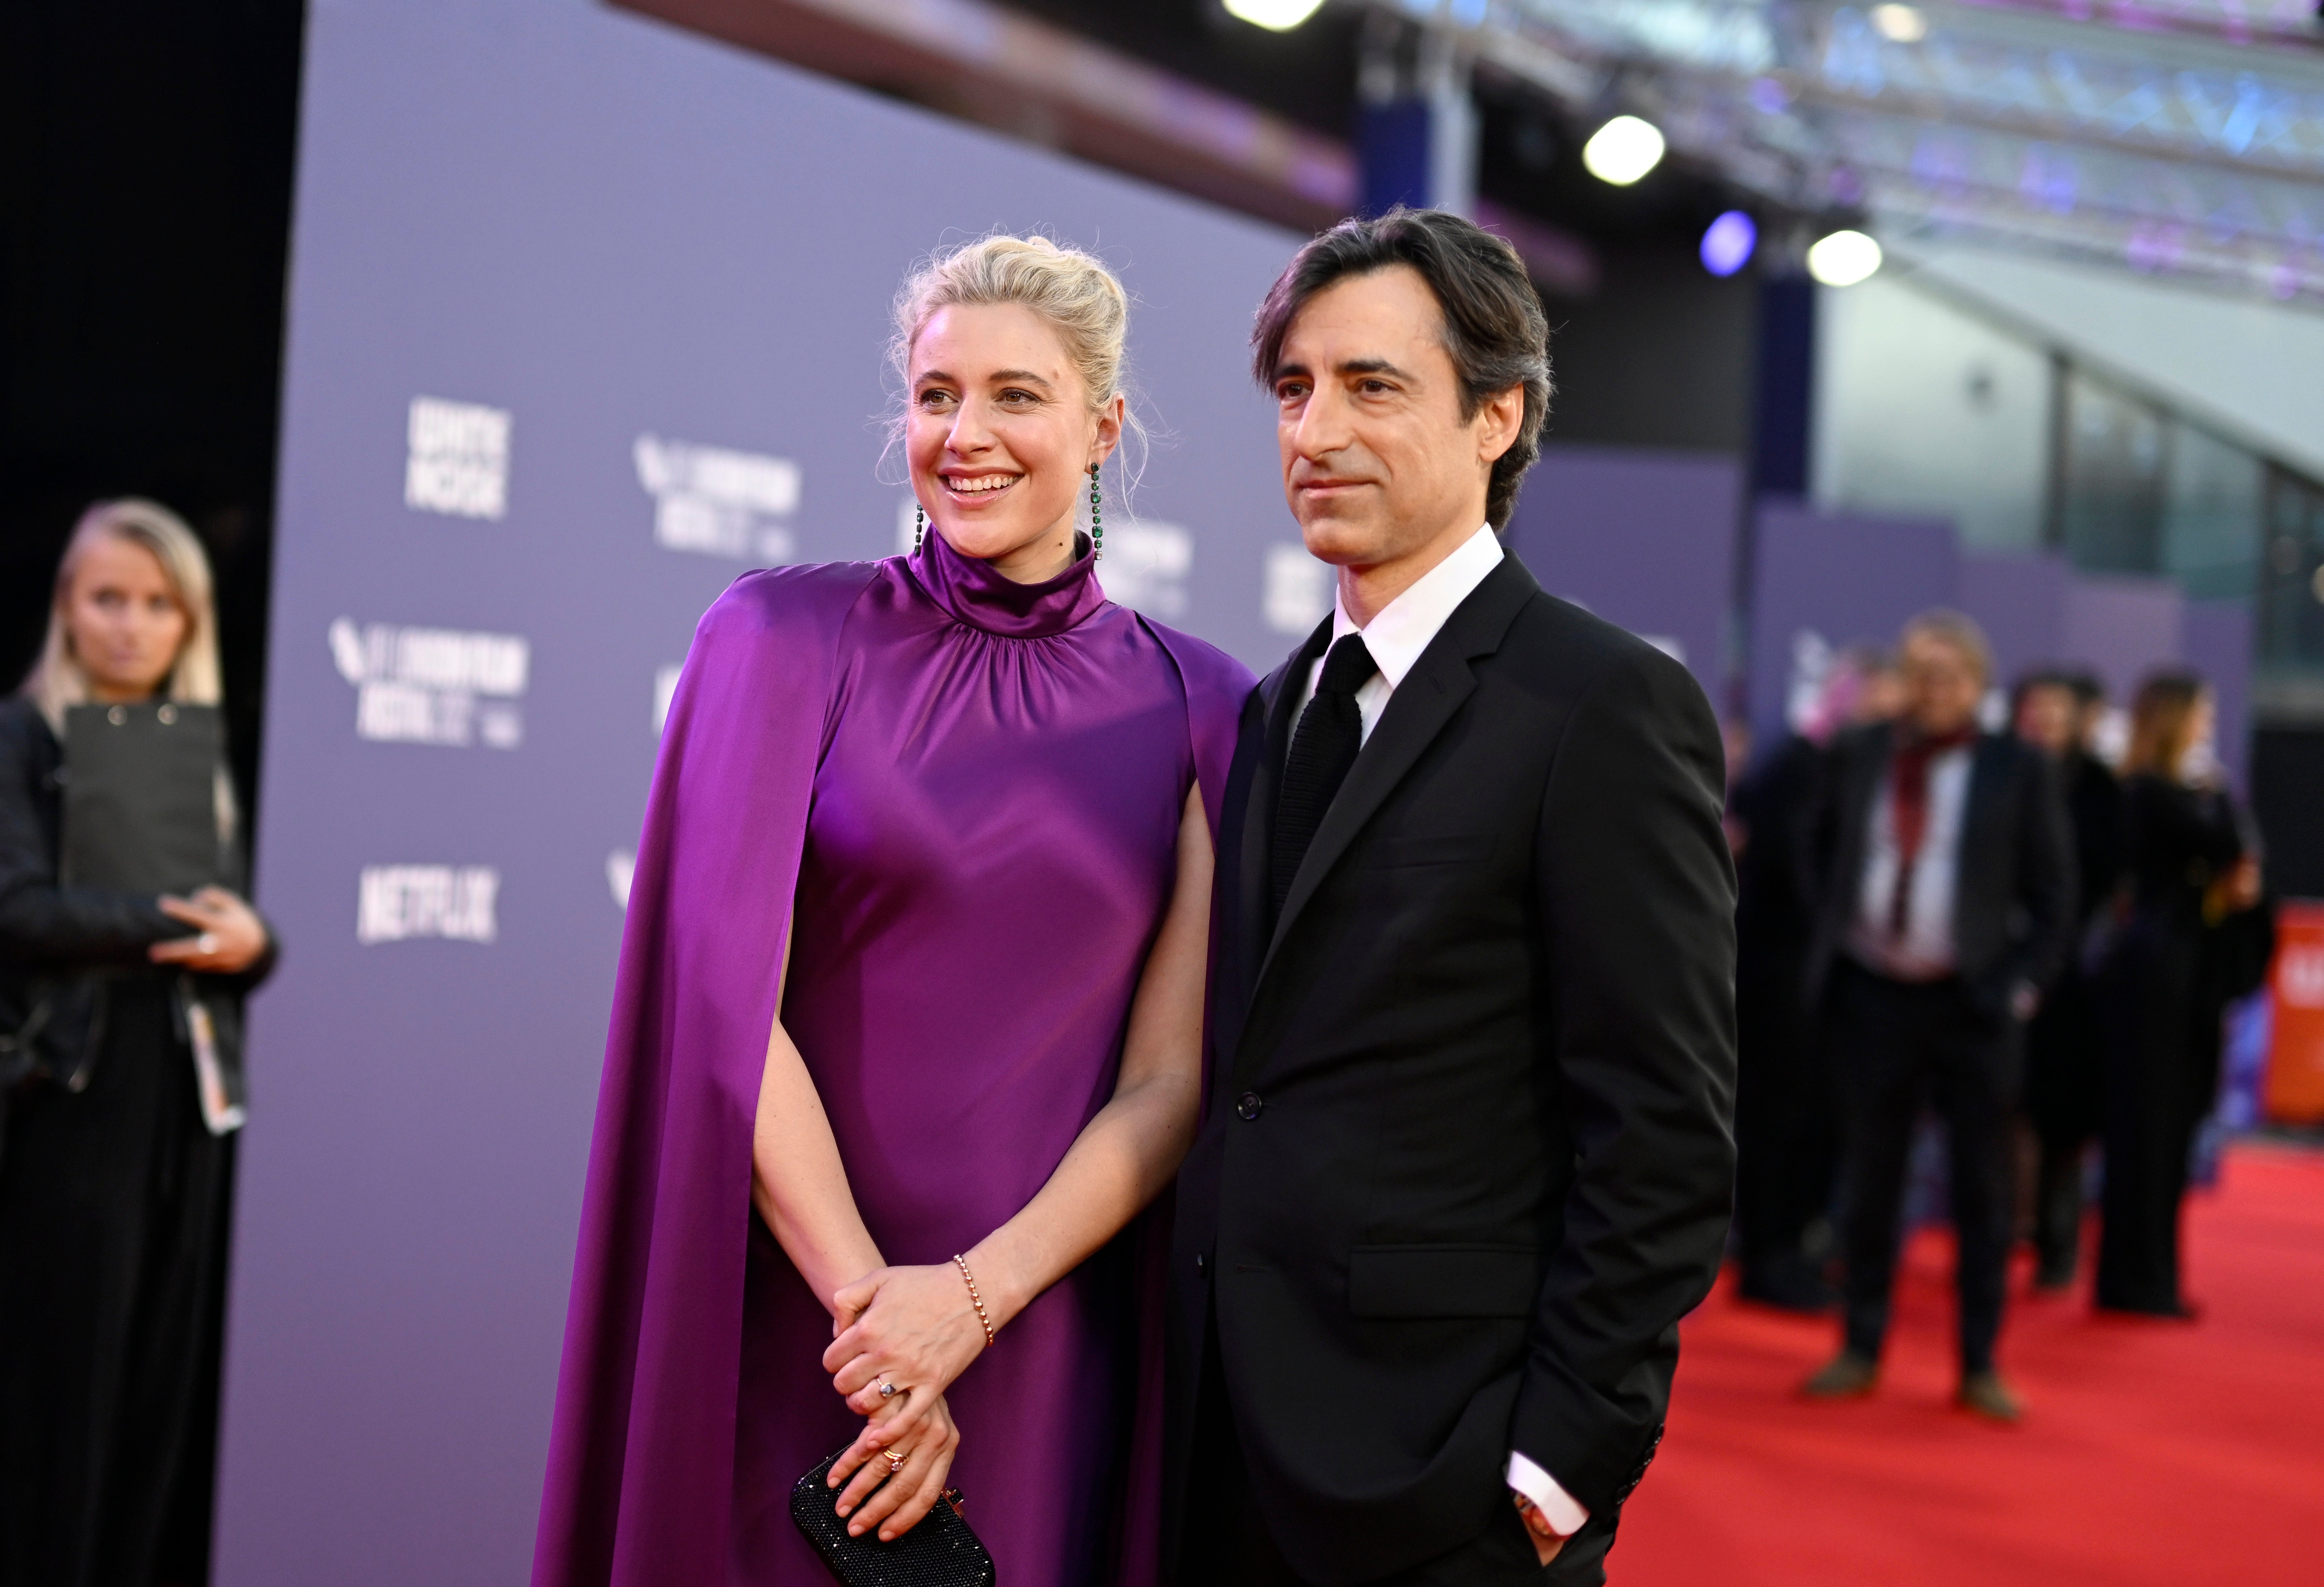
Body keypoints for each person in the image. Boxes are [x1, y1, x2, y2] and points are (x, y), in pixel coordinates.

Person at [531, 236, 1253, 1587]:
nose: (963, 435)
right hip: (807, 1318)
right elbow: (723, 1009)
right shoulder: (777, 640)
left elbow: (1168, 1081)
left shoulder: (1203, 707)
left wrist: (971, 1305)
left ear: (1101, 425)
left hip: (1040, 1332)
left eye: (1014, 397)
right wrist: (881, 1326)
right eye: (933, 396)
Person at [1165, 208, 1736, 1587]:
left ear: (1497, 417)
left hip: (1447, 1490)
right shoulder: (1269, 708)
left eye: (1371, 386)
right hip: (1219, 1453)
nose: (1312, 431)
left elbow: (1661, 1130)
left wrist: (1551, 1470)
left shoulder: (1598, 704)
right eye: (1293, 390)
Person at [0, 499, 276, 1587]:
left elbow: (237, 934)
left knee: (158, 1395)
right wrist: (181, 925)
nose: (130, 626)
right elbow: (15, 907)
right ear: (66, 608)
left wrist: (249, 944)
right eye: (107, 598)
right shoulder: (24, 735)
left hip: (189, 1104)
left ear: (189, 623)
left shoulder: (190, 753)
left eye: (157, 605)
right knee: (62, 1399)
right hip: (72, 1098)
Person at [1800, 611, 2072, 1423]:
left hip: (1975, 1002)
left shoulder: (2017, 767)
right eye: (1922, 674)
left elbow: (2056, 895)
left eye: (1951, 676)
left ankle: (1980, 1361)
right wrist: (1838, 942)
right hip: (1875, 993)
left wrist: (2020, 988)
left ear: (1979, 685)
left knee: (1982, 1191)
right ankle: (1859, 1346)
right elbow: (1813, 847)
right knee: (1871, 1179)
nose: (1935, 690)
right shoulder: (1863, 751)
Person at [2094, 671, 2270, 1318]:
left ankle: (2153, 1276)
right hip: (2152, 977)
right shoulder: (2148, 792)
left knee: (2171, 1131)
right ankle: (2132, 1280)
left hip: (2189, 974)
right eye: (2200, 713)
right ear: (2174, 718)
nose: (2207, 724)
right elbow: (2230, 845)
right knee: (2145, 1128)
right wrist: (2219, 802)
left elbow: (2237, 855)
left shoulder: (2186, 792)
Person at [1730, 646, 1899, 1312]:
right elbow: (1791, 876)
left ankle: (1781, 1249)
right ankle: (1770, 1260)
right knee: (1779, 1119)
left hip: (1805, 979)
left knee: (1802, 1121)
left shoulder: (1829, 767)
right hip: (1782, 982)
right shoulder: (1803, 765)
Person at [2011, 668, 2121, 1291]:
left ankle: (2057, 1245)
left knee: (2063, 1120)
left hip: (2074, 980)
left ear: (2081, 719)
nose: (2044, 721)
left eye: (2056, 711)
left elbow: (2105, 882)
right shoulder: (1995, 772)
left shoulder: (2102, 788)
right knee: (1999, 1110)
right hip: (2000, 965)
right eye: (2034, 709)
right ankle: (2002, 1230)